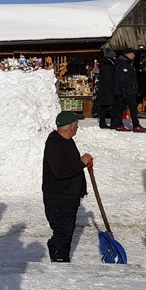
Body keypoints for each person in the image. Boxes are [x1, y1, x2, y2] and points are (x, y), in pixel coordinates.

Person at [42, 111, 93, 262]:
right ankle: (58, 258)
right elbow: (60, 172)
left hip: (69, 197)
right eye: (76, 124)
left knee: (67, 232)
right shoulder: (54, 144)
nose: (78, 127)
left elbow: (71, 166)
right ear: (70, 126)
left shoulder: (67, 141)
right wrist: (81, 163)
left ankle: (63, 259)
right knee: (62, 233)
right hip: (58, 198)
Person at [114, 49, 146, 132]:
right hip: (127, 91)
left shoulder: (125, 63)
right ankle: (136, 125)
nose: (134, 56)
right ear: (127, 54)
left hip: (125, 90)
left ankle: (119, 124)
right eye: (133, 54)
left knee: (121, 107)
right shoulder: (124, 65)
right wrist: (125, 91)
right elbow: (123, 80)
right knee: (133, 107)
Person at [95, 48, 120, 129]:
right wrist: (114, 88)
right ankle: (112, 122)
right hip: (109, 88)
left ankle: (103, 122)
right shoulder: (108, 65)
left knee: (104, 106)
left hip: (104, 89)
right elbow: (109, 78)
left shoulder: (104, 64)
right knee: (113, 105)